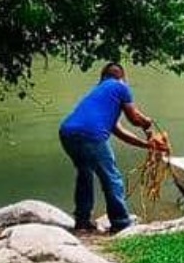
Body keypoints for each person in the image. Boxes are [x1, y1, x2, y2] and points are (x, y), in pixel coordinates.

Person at [59, 63, 163, 234]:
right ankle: (121, 223)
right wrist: (146, 122)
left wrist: (146, 145)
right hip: (91, 134)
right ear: (122, 77)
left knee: (85, 174)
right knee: (112, 177)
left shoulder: (100, 93)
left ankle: (82, 221)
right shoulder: (120, 87)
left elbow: (119, 131)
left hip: (67, 133)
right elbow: (134, 118)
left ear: (102, 77)